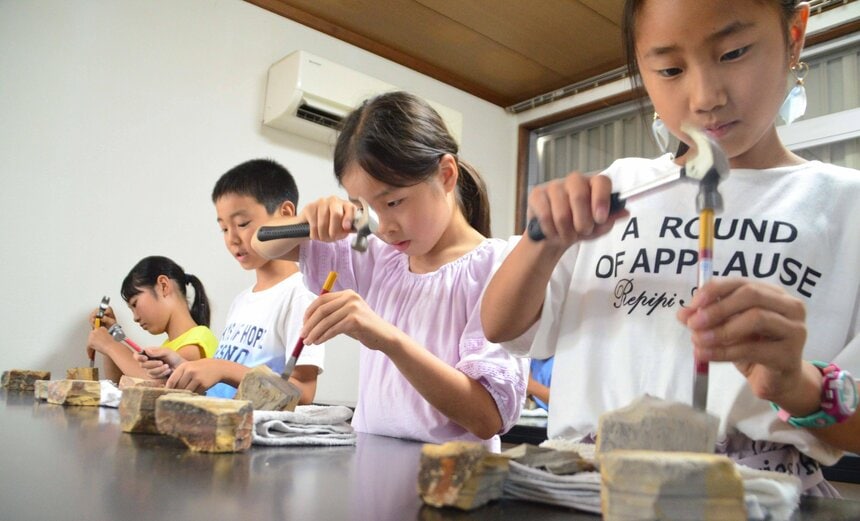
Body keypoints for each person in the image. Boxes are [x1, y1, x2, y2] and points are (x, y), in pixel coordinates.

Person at [481, 0, 860, 496]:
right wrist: (541, 241)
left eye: (734, 51)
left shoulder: (845, 206)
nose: (705, 97)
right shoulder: (616, 189)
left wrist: (796, 384)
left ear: (794, 35)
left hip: (751, 495)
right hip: (583, 490)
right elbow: (501, 327)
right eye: (670, 69)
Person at [252, 91, 527, 451]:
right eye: (368, 209)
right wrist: (307, 220)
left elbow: (487, 417)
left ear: (445, 174)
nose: (384, 227)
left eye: (394, 202)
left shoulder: (500, 266)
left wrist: (387, 338)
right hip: (373, 473)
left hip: (456, 483)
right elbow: (261, 243)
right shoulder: (380, 256)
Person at [138, 159, 324, 405]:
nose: (232, 239)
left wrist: (222, 368)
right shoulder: (242, 301)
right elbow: (224, 390)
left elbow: (303, 393)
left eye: (242, 224)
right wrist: (183, 368)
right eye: (224, 229)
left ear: (285, 215)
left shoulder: (300, 293)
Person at [87, 255, 218, 383]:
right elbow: (117, 380)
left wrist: (110, 345)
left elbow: (157, 383)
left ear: (163, 285)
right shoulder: (168, 346)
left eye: (135, 304)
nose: (135, 318)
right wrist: (110, 335)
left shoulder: (199, 339)